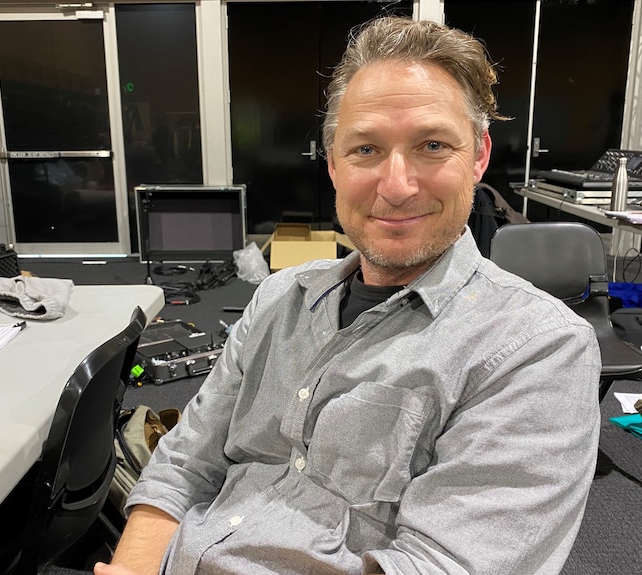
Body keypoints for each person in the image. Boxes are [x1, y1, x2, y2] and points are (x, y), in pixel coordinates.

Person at [96, 16, 601, 575]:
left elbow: (443, 565)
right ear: (333, 163)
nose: (396, 185)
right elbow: (185, 462)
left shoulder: (537, 349)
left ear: (478, 156)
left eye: (433, 145)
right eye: (365, 149)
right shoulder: (277, 299)